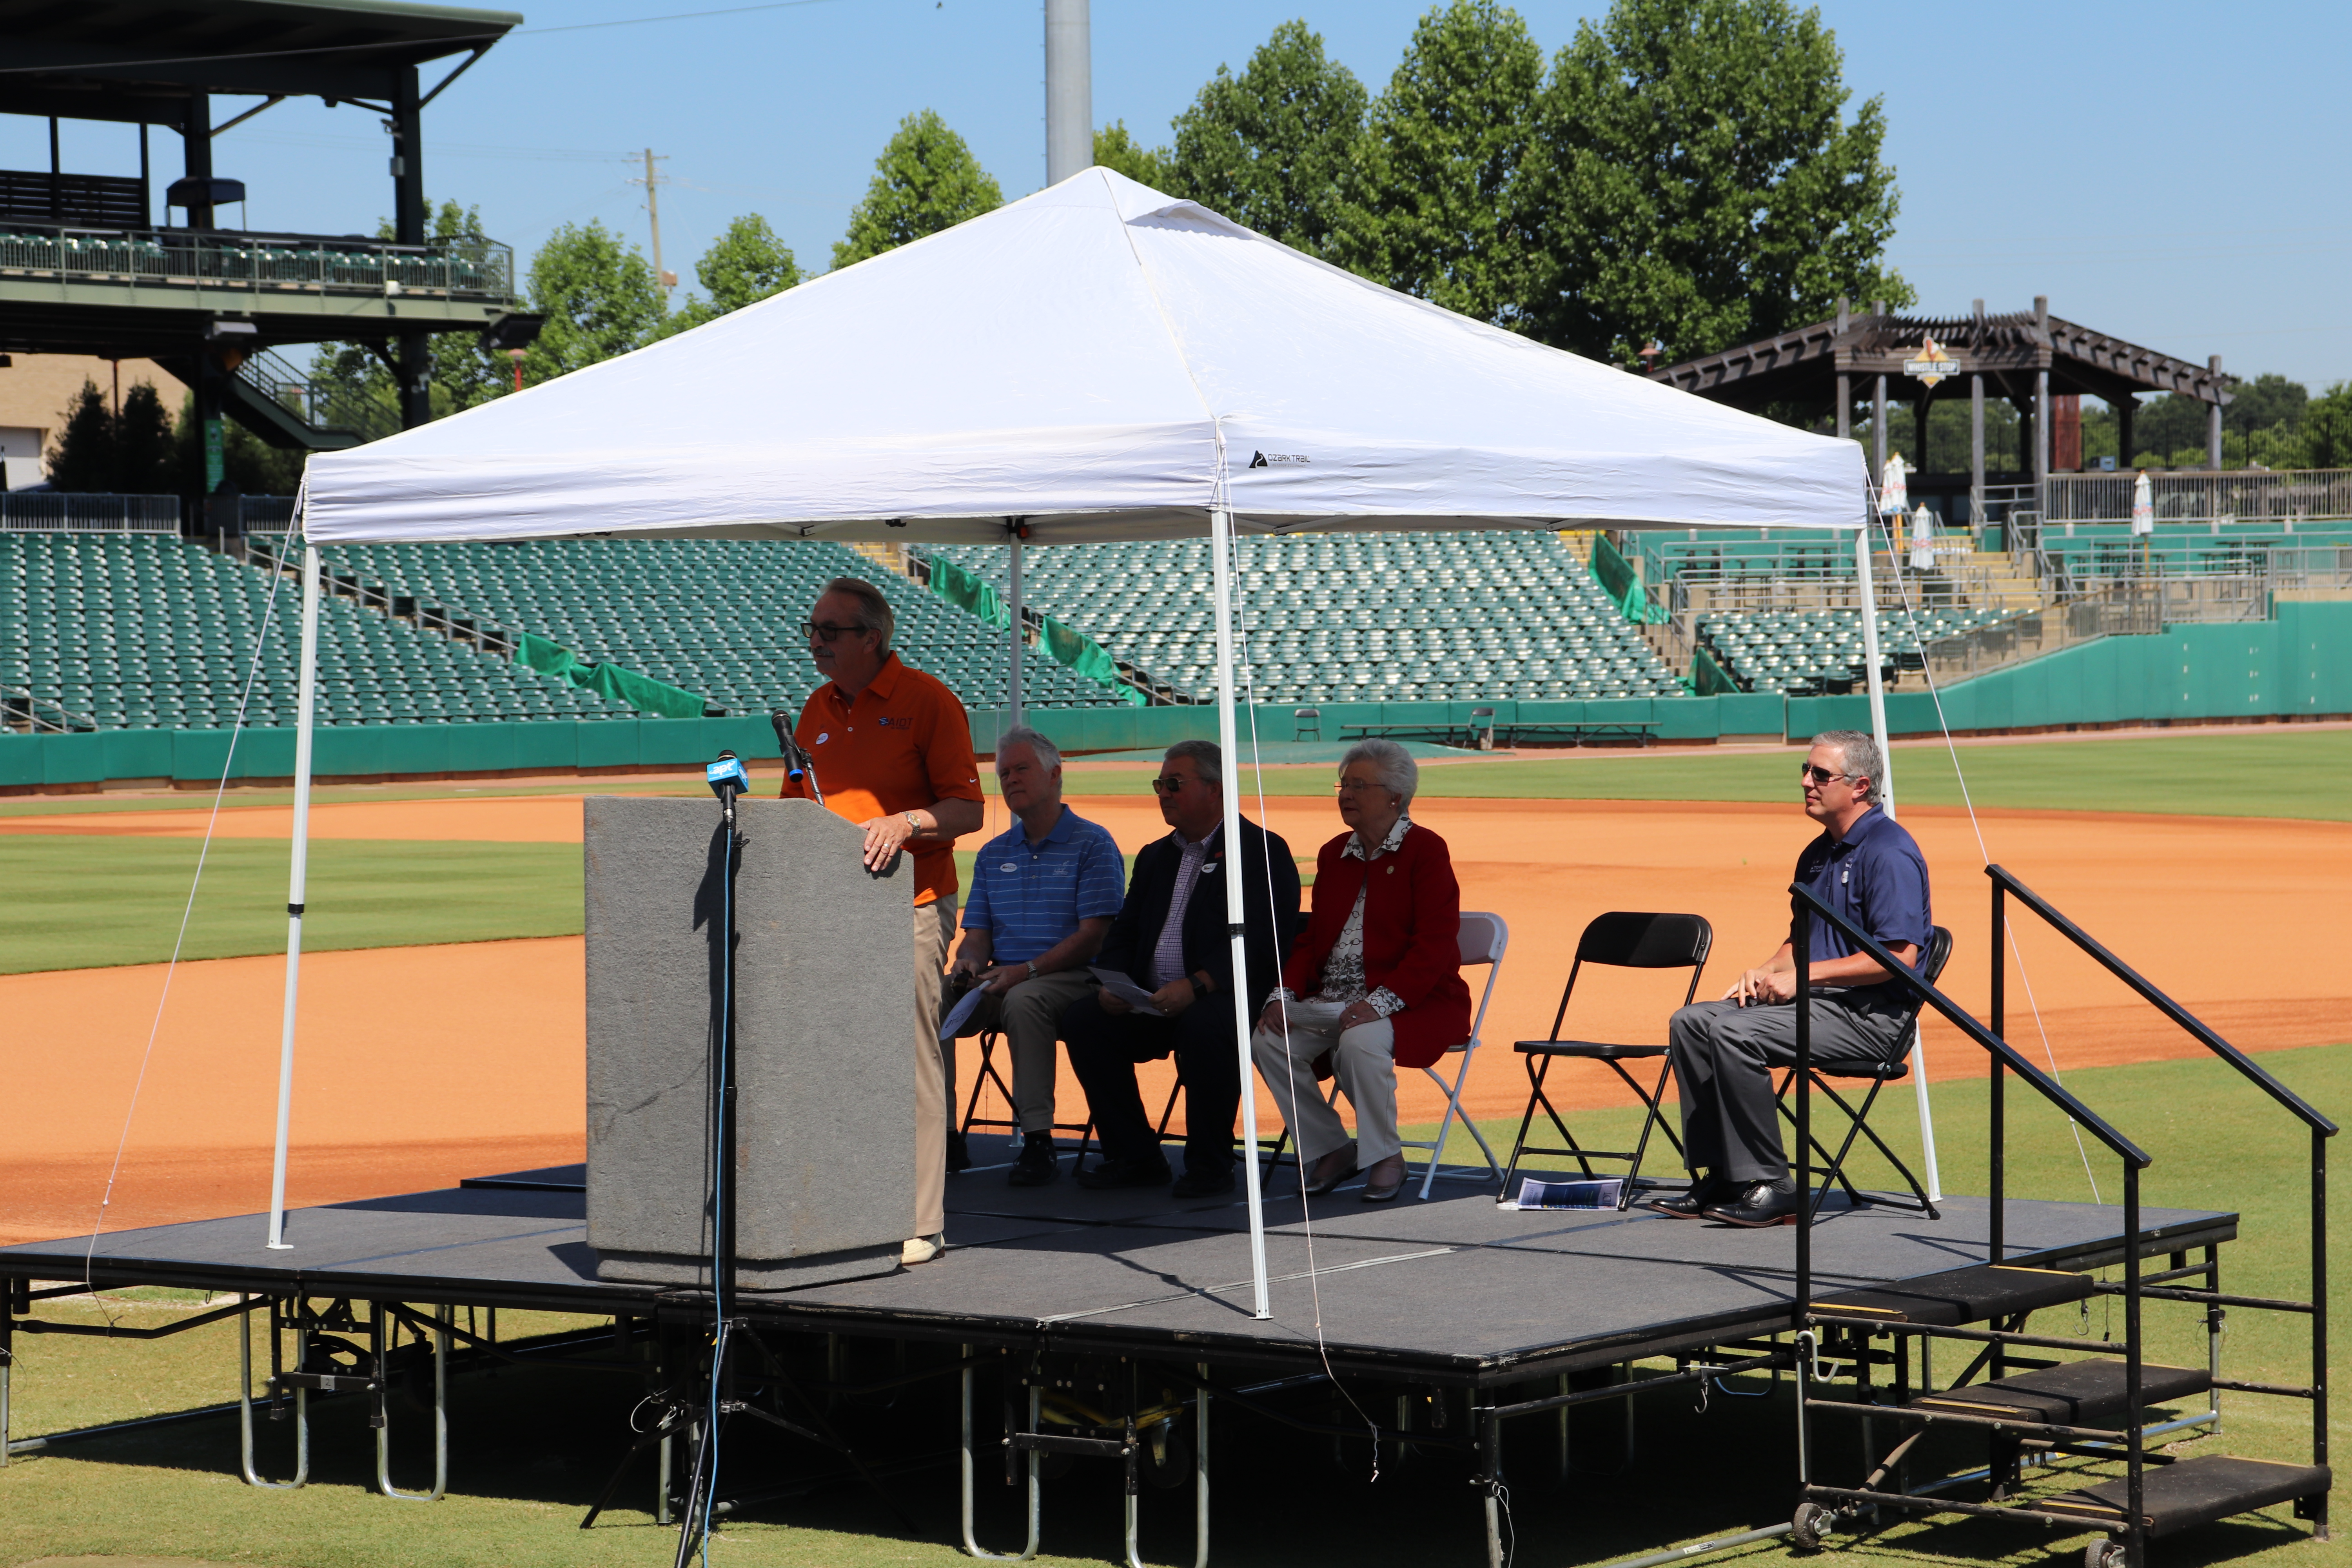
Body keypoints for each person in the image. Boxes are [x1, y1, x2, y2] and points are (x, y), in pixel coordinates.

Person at [779, 576, 985, 1266]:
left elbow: (968, 810)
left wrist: (905, 822)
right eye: (811, 629)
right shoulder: (815, 709)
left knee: (910, 1055)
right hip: (828, 911)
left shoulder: (928, 702)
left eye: (830, 632)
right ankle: (845, 1200)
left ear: (872, 636)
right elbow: (792, 809)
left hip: (913, 905)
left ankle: (921, 1220)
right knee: (836, 1054)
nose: (816, 642)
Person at [1653, 729, 1933, 1228]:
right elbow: (1798, 945)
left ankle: (1775, 1186)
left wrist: (1803, 978)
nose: (1806, 782)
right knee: (1692, 1022)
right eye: (1805, 771)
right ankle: (1725, 1175)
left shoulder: (1889, 852)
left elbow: (1900, 959)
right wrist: (1766, 970)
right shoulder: (1818, 853)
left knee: (1734, 1031)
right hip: (1822, 1006)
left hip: (1872, 1018)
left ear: (1861, 786)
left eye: (1820, 774)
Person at [1060, 740, 1299, 1198]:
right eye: (1160, 784)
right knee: (1084, 1019)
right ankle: (1135, 1156)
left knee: (1206, 1025)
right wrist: (1112, 982)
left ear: (1215, 789)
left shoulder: (1259, 850)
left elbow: (1266, 940)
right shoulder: (1155, 856)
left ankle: (1210, 1163)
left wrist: (1199, 984)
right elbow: (1124, 932)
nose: (1164, 793)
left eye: (1175, 784)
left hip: (1217, 998)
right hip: (1149, 1001)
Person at [1252, 739, 1469, 1203]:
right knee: (1268, 1038)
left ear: (1395, 796)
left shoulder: (1426, 850)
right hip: (1335, 1001)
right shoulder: (1335, 854)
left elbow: (1433, 944)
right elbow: (1311, 941)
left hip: (1415, 1004)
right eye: (1343, 785)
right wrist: (1282, 995)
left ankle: (1387, 1155)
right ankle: (1332, 1147)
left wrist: (1377, 1004)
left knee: (1360, 1039)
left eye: (1358, 785)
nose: (1345, 794)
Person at [946, 725, 1125, 1187]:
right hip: (1002, 975)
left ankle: (1038, 1140)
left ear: (1054, 774)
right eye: (1004, 773)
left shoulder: (1093, 843)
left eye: (1021, 769)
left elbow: (1094, 938)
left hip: (1073, 975)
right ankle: (941, 1133)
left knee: (1026, 1001)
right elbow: (978, 936)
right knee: (931, 994)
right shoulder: (992, 853)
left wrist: (1025, 971)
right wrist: (968, 960)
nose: (1010, 780)